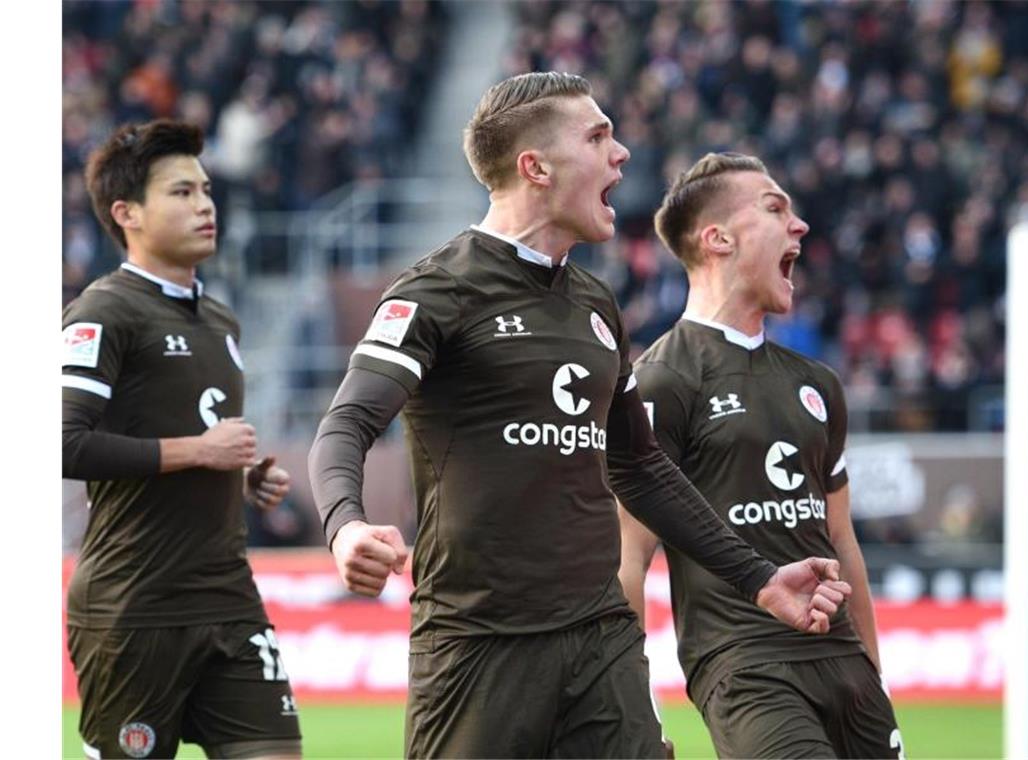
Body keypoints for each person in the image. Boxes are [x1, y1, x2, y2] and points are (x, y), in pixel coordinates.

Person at [308, 72, 852, 758]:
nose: (621, 154)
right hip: (480, 643)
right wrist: (345, 525)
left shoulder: (595, 304)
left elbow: (642, 466)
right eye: (598, 137)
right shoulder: (438, 290)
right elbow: (346, 424)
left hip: (599, 641)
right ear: (535, 168)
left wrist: (760, 578)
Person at [618, 152, 904, 759]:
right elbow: (626, 559)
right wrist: (634, 709)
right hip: (746, 664)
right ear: (717, 238)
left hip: (843, 660)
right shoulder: (662, 381)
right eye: (775, 209)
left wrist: (873, 674)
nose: (799, 226)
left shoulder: (818, 383)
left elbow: (840, 540)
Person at [62, 120, 302, 760]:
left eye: (206, 190)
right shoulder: (102, 312)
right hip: (135, 605)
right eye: (181, 192)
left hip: (228, 595)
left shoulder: (221, 318)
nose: (205, 205)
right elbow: (62, 444)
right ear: (127, 213)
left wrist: (241, 477)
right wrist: (200, 452)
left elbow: (189, 436)